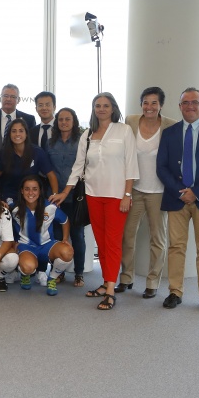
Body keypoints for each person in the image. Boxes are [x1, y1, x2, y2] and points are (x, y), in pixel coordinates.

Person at [53, 92, 138, 311]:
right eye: (97, 105)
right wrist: (65, 192)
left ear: (113, 108)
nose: (101, 109)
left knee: (112, 242)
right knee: (102, 242)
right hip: (92, 194)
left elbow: (131, 165)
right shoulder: (87, 134)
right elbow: (78, 166)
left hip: (117, 196)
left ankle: (110, 290)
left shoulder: (124, 130)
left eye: (105, 105)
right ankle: (107, 282)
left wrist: (127, 195)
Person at [157, 87, 199, 313]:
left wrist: (196, 192)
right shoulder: (169, 133)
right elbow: (162, 167)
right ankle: (175, 292)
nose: (190, 106)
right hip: (177, 198)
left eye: (194, 102)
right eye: (185, 102)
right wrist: (181, 191)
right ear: (179, 106)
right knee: (176, 247)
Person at [117, 87, 177, 298]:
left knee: (157, 239)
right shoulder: (131, 121)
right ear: (140, 104)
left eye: (154, 103)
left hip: (159, 191)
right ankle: (126, 278)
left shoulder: (170, 125)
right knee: (127, 236)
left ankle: (152, 282)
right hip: (134, 190)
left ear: (161, 105)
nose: (149, 107)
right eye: (146, 102)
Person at [12, 176, 74, 296]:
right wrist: (13, 243)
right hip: (26, 247)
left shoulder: (50, 207)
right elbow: (6, 227)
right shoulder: (14, 209)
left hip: (47, 245)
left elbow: (65, 221)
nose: (31, 193)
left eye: (35, 189)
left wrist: (65, 239)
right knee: (28, 266)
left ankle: (52, 279)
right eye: (27, 189)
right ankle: (25, 274)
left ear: (40, 191)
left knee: (68, 252)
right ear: (22, 191)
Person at [46, 107, 86, 287]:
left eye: (67, 119)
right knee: (55, 235)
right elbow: (47, 169)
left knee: (77, 235)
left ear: (74, 121)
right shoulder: (50, 142)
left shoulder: (82, 141)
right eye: (60, 119)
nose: (63, 122)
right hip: (55, 196)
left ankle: (79, 273)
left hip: (75, 197)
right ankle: (58, 272)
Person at [0, 118, 59, 204]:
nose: (17, 134)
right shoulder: (4, 152)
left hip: (31, 196)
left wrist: (55, 196)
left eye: (21, 131)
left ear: (26, 134)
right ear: (9, 134)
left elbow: (51, 175)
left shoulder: (37, 152)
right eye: (14, 131)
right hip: (10, 198)